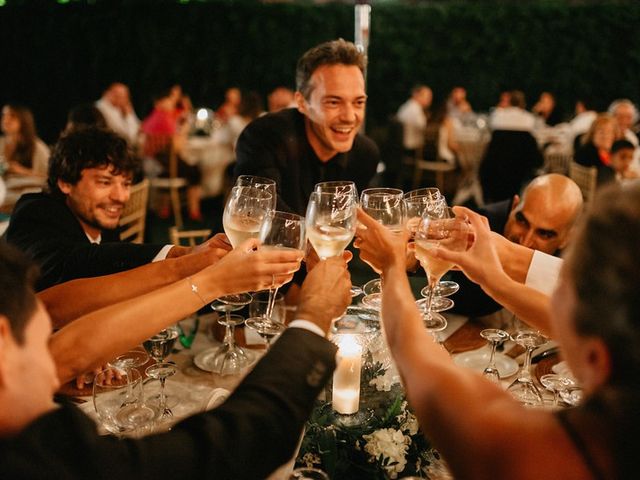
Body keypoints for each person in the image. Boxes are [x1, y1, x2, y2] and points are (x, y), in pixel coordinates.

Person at [356, 183, 640, 478]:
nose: (549, 300)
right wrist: (497, 281)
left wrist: (391, 267)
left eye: (561, 288)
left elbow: (422, 367)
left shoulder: (532, 455)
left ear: (596, 358)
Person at [0, 241, 352, 479]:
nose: (56, 371)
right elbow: (238, 443)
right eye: (42, 344)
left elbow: (57, 316)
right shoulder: (44, 461)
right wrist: (314, 316)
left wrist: (201, 276)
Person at [5, 127, 217, 291]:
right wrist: (180, 254)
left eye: (126, 184)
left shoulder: (100, 221)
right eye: (105, 182)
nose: (121, 197)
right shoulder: (35, 212)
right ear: (65, 183)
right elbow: (68, 266)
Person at [234, 38, 380, 215]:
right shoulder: (264, 136)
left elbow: (355, 223)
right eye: (333, 102)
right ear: (302, 103)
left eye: (358, 102)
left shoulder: (365, 154)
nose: (349, 117)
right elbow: (260, 214)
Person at [449, 173, 583, 317]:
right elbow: (460, 306)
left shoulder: (574, 265)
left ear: (567, 238)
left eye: (544, 234)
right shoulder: (479, 230)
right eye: (522, 221)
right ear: (514, 206)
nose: (525, 242)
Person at [140, 85, 203, 221]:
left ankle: (165, 209)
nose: (173, 102)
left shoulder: (152, 116)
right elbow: (177, 148)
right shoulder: (165, 118)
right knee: (195, 171)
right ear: (160, 102)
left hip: (150, 162)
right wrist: (184, 129)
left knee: (187, 167)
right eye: (169, 99)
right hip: (160, 166)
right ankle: (193, 211)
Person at [0, 104, 50, 180]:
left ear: (24, 120)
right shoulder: (1, 143)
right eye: (4, 115)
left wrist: (21, 171)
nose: (6, 120)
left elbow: (49, 176)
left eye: (12, 116)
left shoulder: (36, 146)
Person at [574, 113, 621, 186]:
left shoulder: (611, 153)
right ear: (592, 134)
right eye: (601, 132)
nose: (605, 136)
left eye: (609, 132)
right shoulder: (586, 153)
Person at [396, 84, 432, 154]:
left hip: (402, 142)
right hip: (410, 144)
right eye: (427, 97)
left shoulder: (408, 105)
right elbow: (423, 127)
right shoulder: (415, 108)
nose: (429, 100)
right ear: (417, 95)